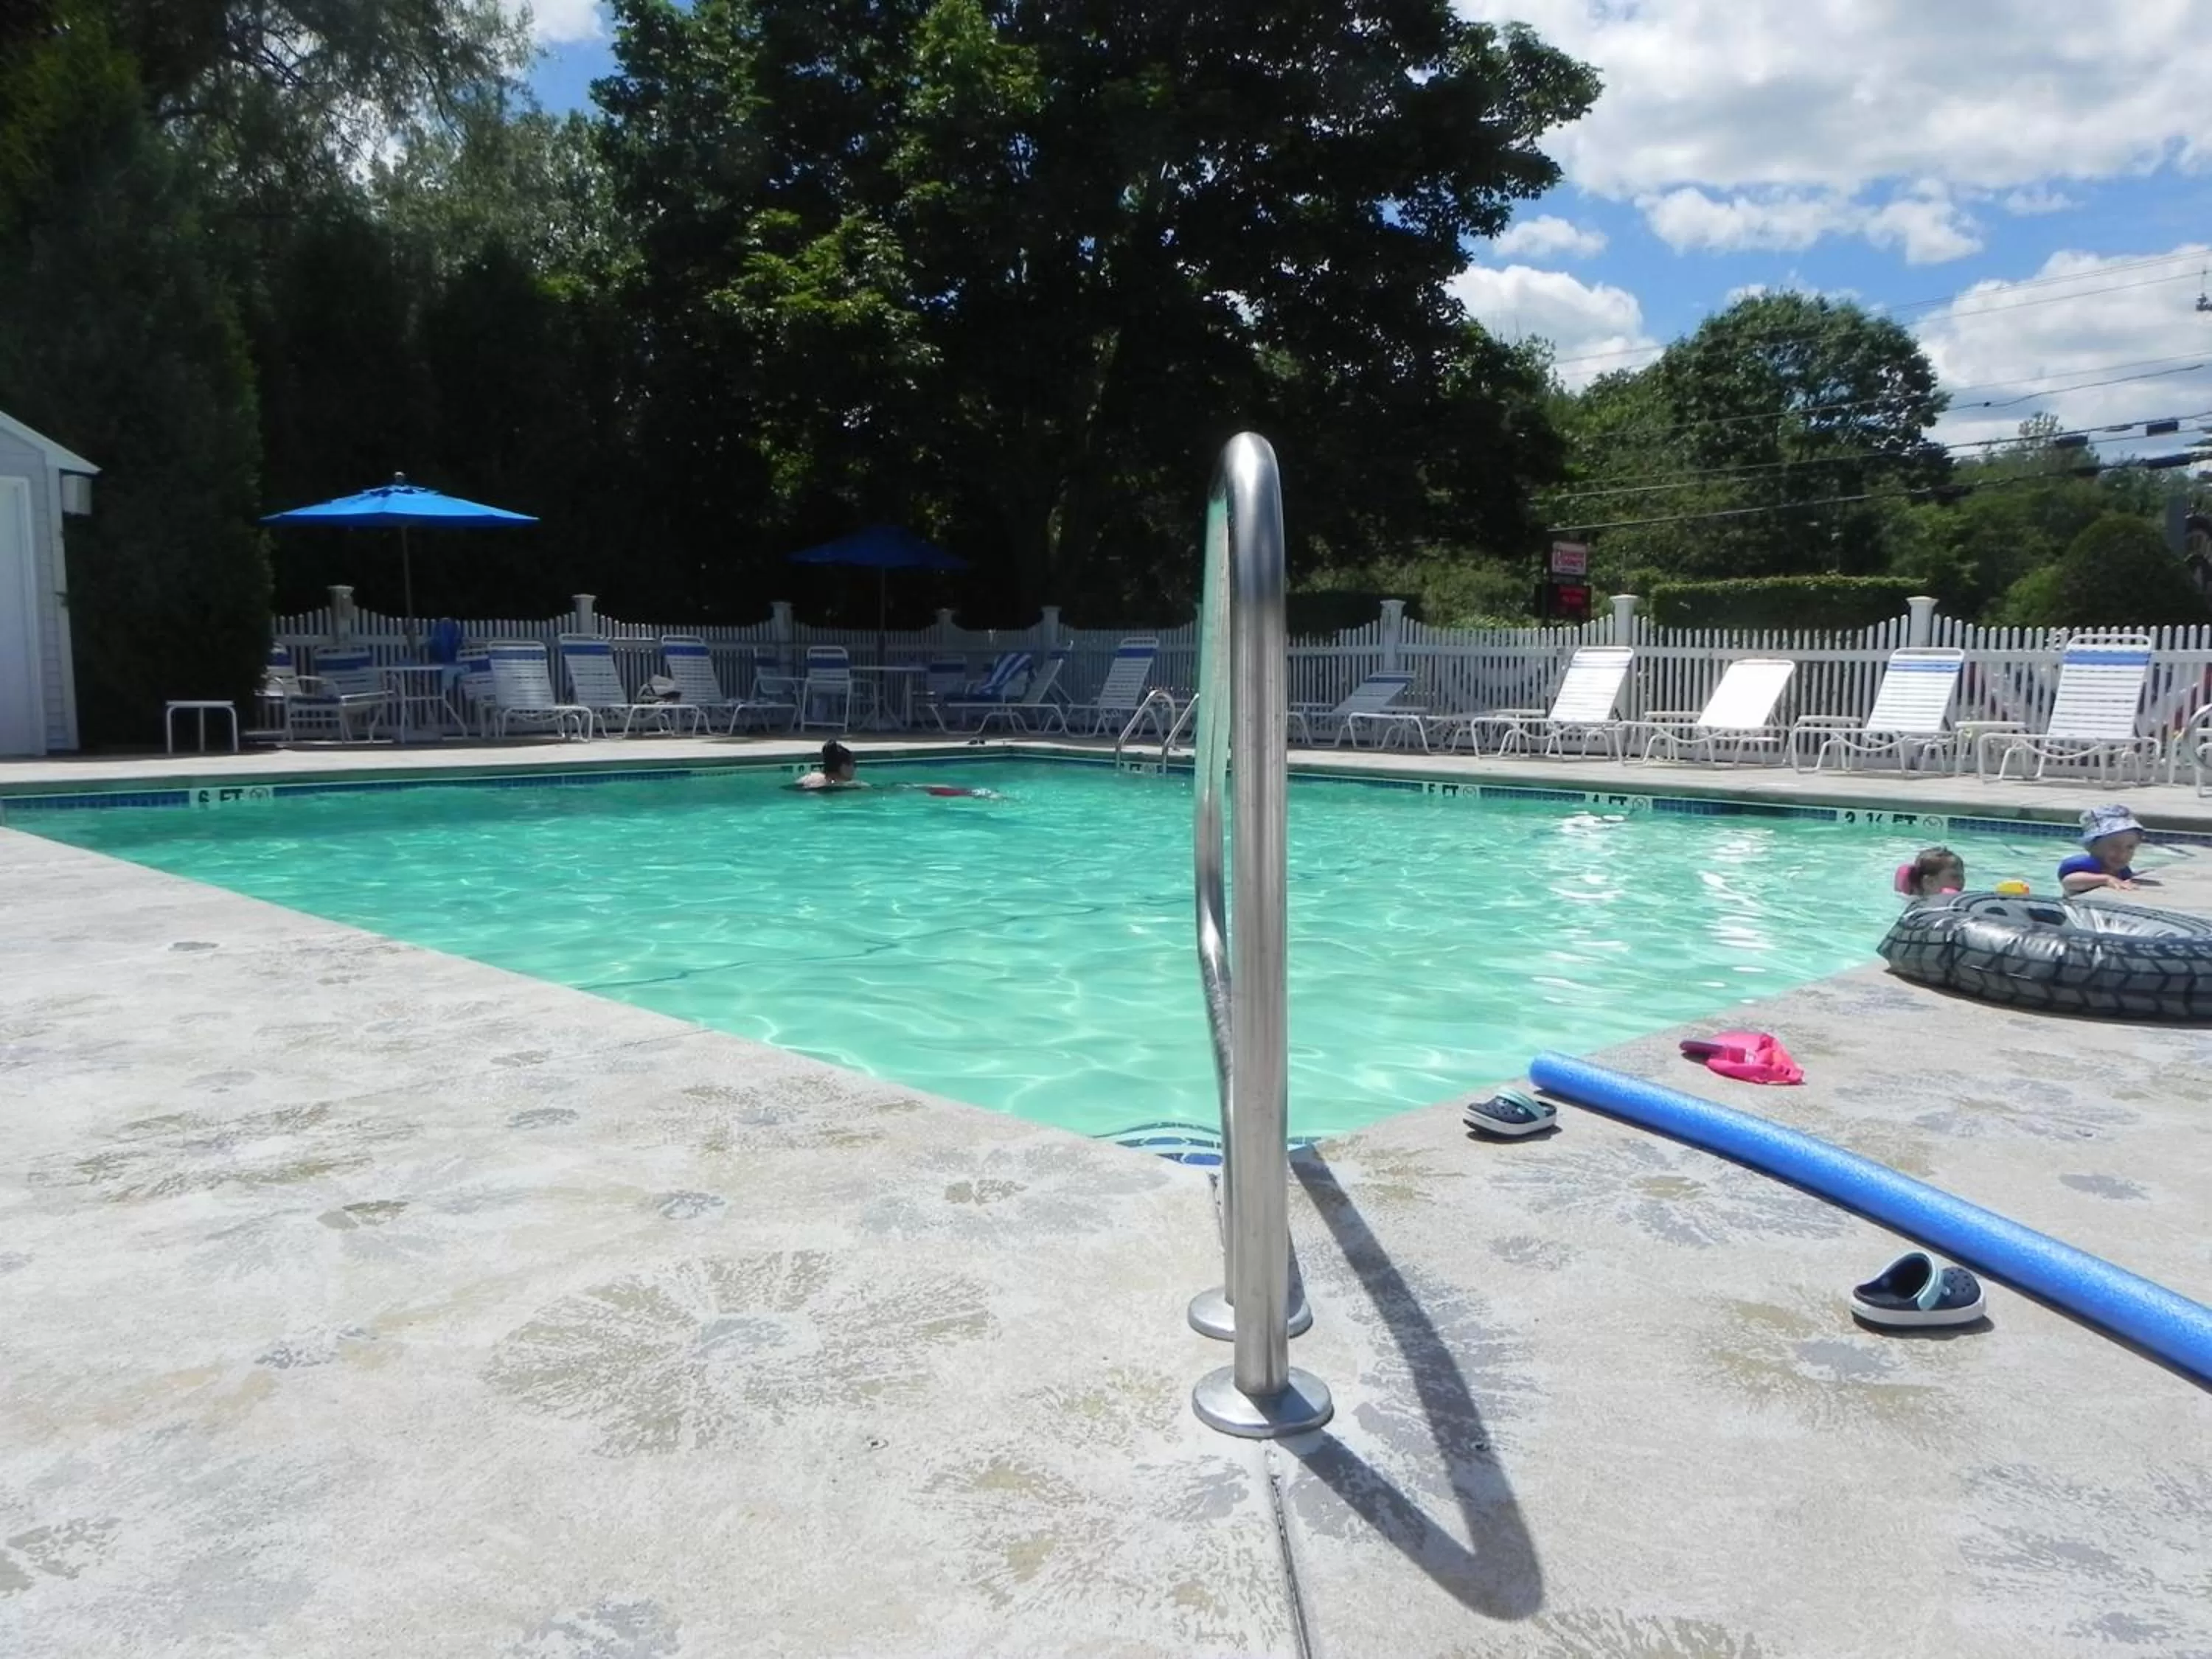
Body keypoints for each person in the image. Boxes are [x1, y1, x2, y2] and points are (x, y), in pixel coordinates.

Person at [2058, 804, 2148, 894]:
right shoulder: (2085, 867)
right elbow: (2069, 882)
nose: (2123, 853)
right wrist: (2105, 879)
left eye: (2130, 847)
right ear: (2092, 846)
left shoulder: (2120, 870)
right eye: (2114, 846)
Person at [1893, 846, 1966, 900]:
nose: (1962, 881)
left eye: (1962, 876)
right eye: (1955, 877)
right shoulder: (1919, 908)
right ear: (1930, 882)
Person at [796, 740, 866, 791]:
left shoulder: (808, 778)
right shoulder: (852, 786)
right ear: (843, 766)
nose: (854, 769)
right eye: (853, 765)